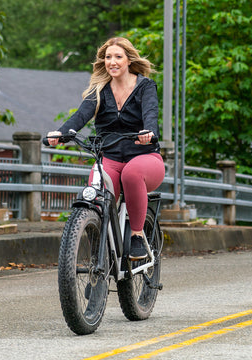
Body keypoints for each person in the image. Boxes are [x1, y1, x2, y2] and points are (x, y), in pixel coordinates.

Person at [47, 37, 166, 260]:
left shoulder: (145, 86)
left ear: (129, 60)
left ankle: (137, 236)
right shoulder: (99, 90)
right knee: (95, 197)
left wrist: (149, 133)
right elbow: (80, 116)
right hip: (109, 157)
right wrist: (60, 133)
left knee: (132, 174)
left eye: (118, 57)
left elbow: (151, 114)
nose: (112, 61)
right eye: (108, 57)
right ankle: (98, 263)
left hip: (144, 156)